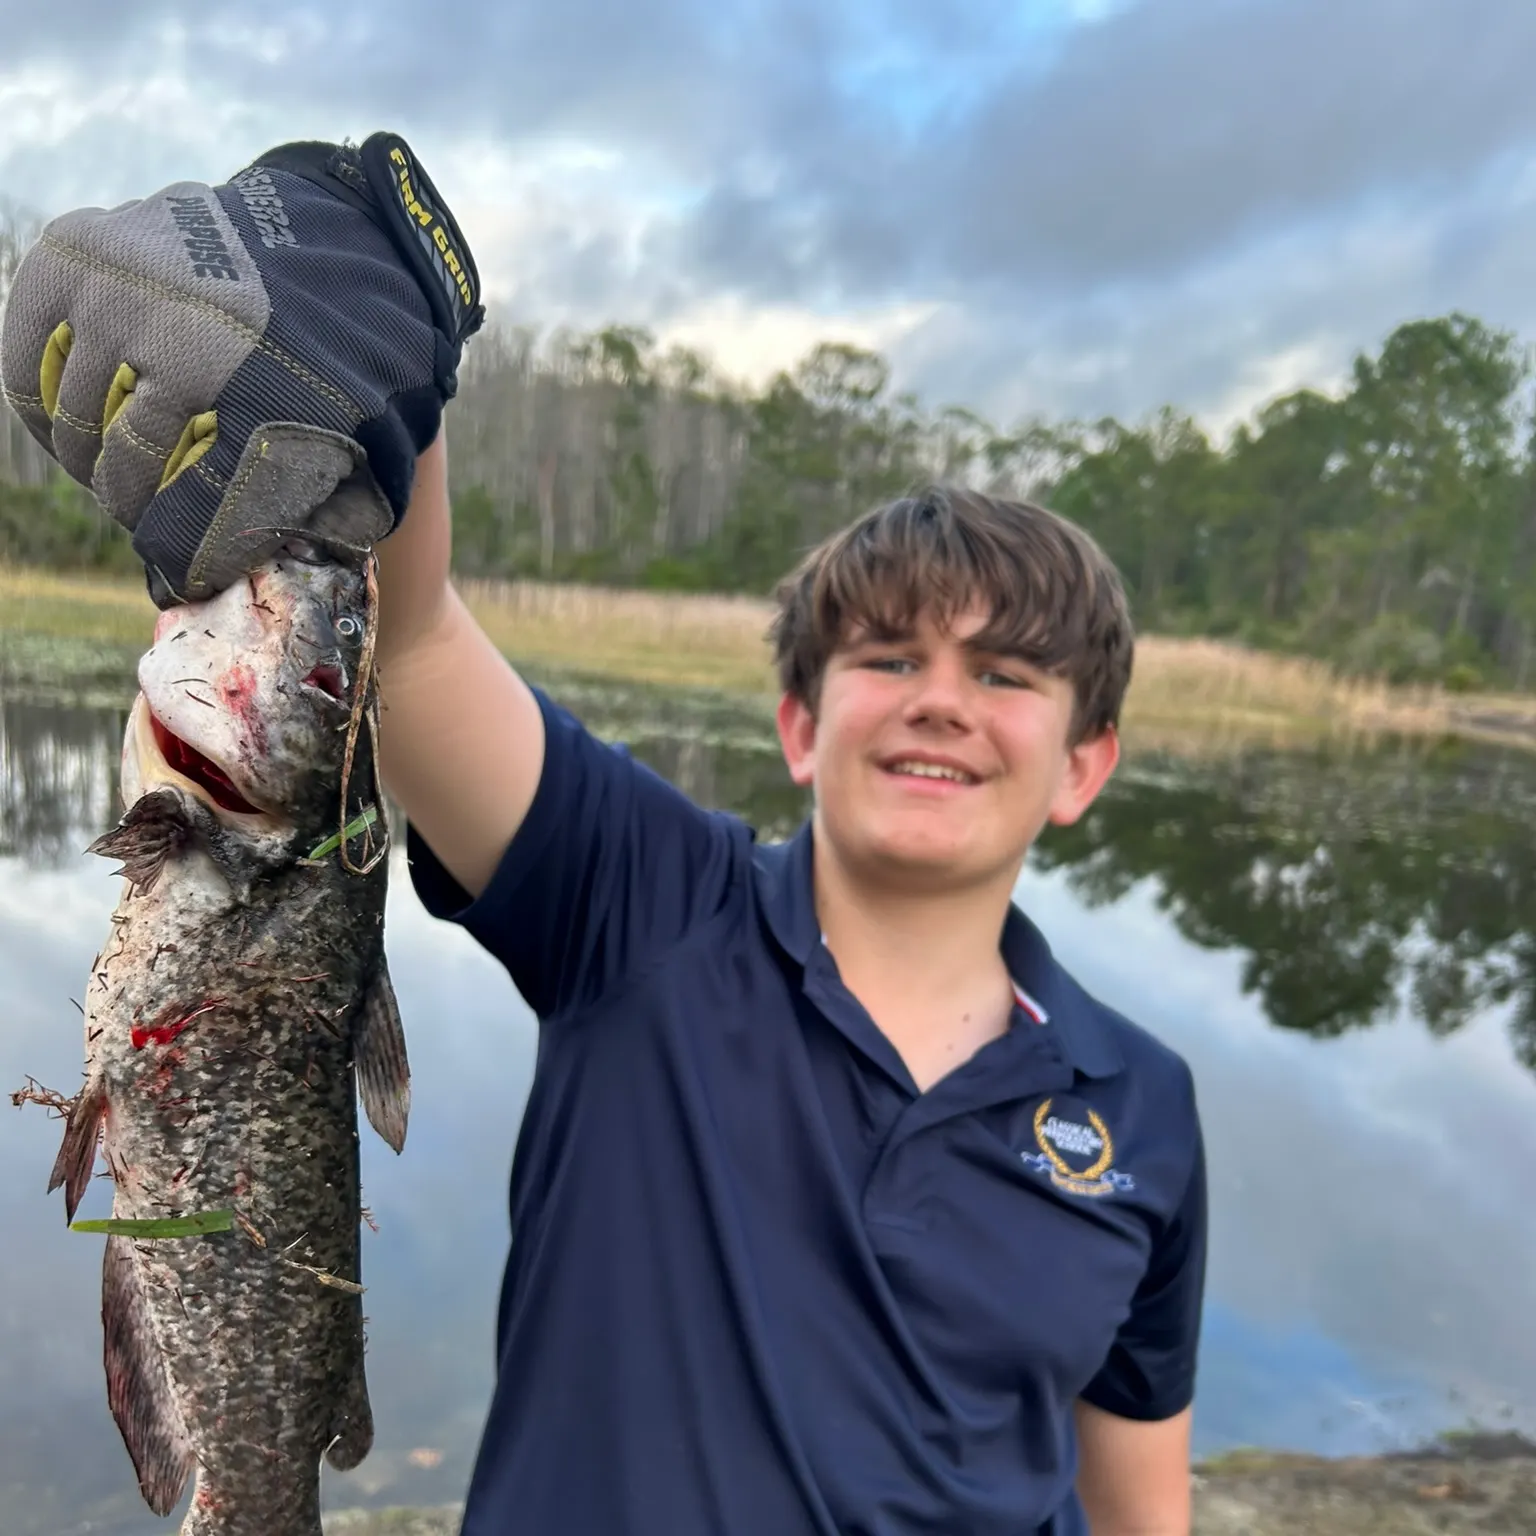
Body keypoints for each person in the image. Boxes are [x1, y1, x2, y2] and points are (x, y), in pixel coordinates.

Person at [2, 134, 1206, 1535]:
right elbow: (424, 630)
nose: (941, 705)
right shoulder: (651, 905)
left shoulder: (1145, 1106)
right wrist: (381, 349)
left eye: (1005, 676)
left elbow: (1138, 1499)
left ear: (1086, 762)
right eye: (887, 659)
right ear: (801, 725)